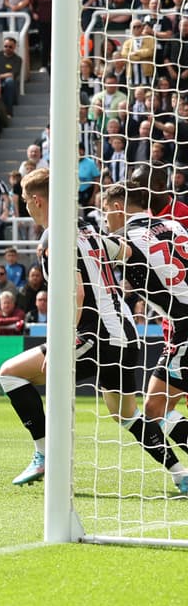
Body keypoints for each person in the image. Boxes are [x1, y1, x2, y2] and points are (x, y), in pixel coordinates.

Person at [0, 171, 186, 492]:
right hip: (127, 333)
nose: (25, 207)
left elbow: (78, 293)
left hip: (96, 333)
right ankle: (180, 474)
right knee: (129, 414)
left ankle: (45, 454)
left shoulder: (55, 238)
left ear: (37, 201)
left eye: (26, 200)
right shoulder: (90, 228)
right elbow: (118, 259)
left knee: (10, 374)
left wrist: (60, 342)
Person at [99, 180, 188, 490]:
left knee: (153, 410)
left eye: (105, 211)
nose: (105, 218)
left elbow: (103, 250)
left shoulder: (123, 238)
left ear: (117, 207)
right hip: (181, 327)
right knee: (156, 407)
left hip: (185, 326)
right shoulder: (174, 225)